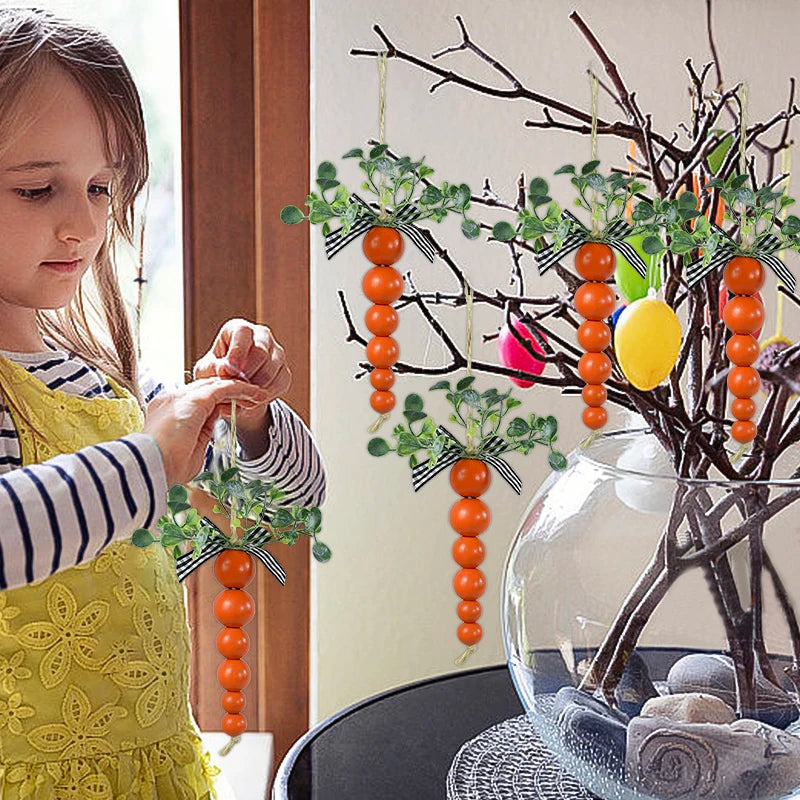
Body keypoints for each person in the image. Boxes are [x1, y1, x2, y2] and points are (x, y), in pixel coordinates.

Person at [0, 8, 325, 798]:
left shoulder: (103, 378)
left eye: (103, 185)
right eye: (39, 188)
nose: (82, 222)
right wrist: (148, 459)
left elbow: (288, 512)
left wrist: (248, 418)